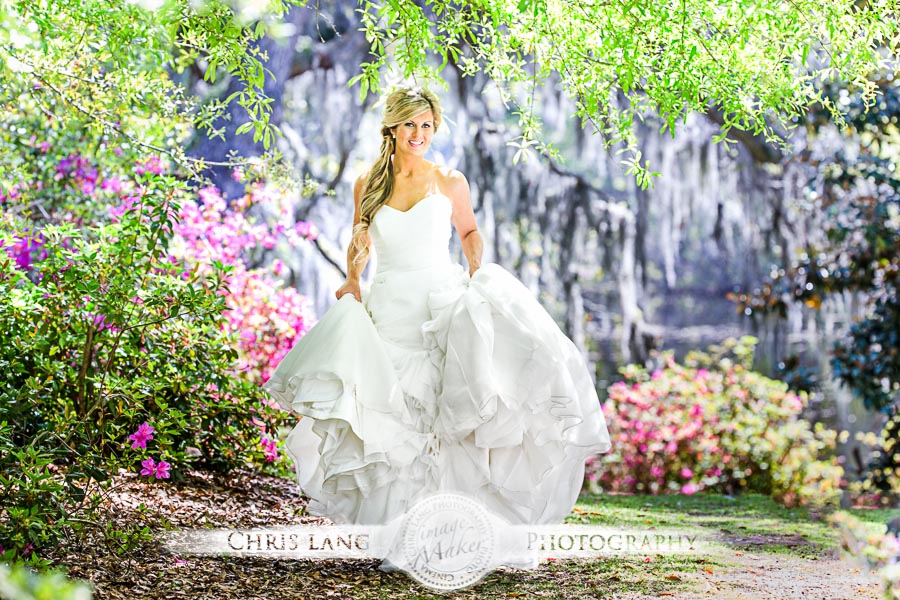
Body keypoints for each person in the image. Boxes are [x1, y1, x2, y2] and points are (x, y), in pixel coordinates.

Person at [263, 86, 611, 540]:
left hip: (438, 300)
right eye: (410, 124)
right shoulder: (367, 183)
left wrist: (476, 270)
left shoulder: (450, 180)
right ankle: (397, 530)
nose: (419, 134)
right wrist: (352, 278)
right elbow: (359, 237)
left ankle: (453, 529)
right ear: (393, 125)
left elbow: (468, 231)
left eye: (427, 126)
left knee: (447, 411)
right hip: (389, 306)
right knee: (395, 414)